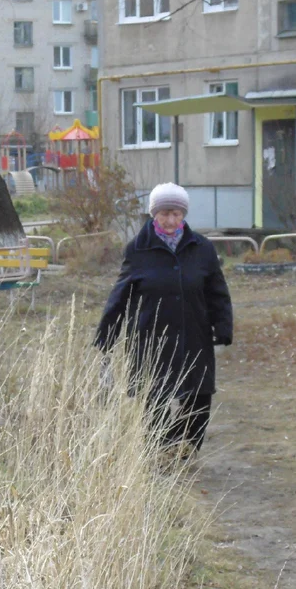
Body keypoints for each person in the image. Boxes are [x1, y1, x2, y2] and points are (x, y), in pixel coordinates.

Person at [95, 182, 234, 454]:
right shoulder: (138, 250)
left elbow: (217, 291)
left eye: (176, 214)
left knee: (199, 398)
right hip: (151, 338)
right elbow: (120, 294)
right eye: (165, 213)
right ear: (153, 214)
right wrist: (107, 334)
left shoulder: (201, 248)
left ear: (184, 215)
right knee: (155, 398)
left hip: (194, 334)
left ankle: (186, 450)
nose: (171, 220)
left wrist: (223, 326)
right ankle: (159, 454)